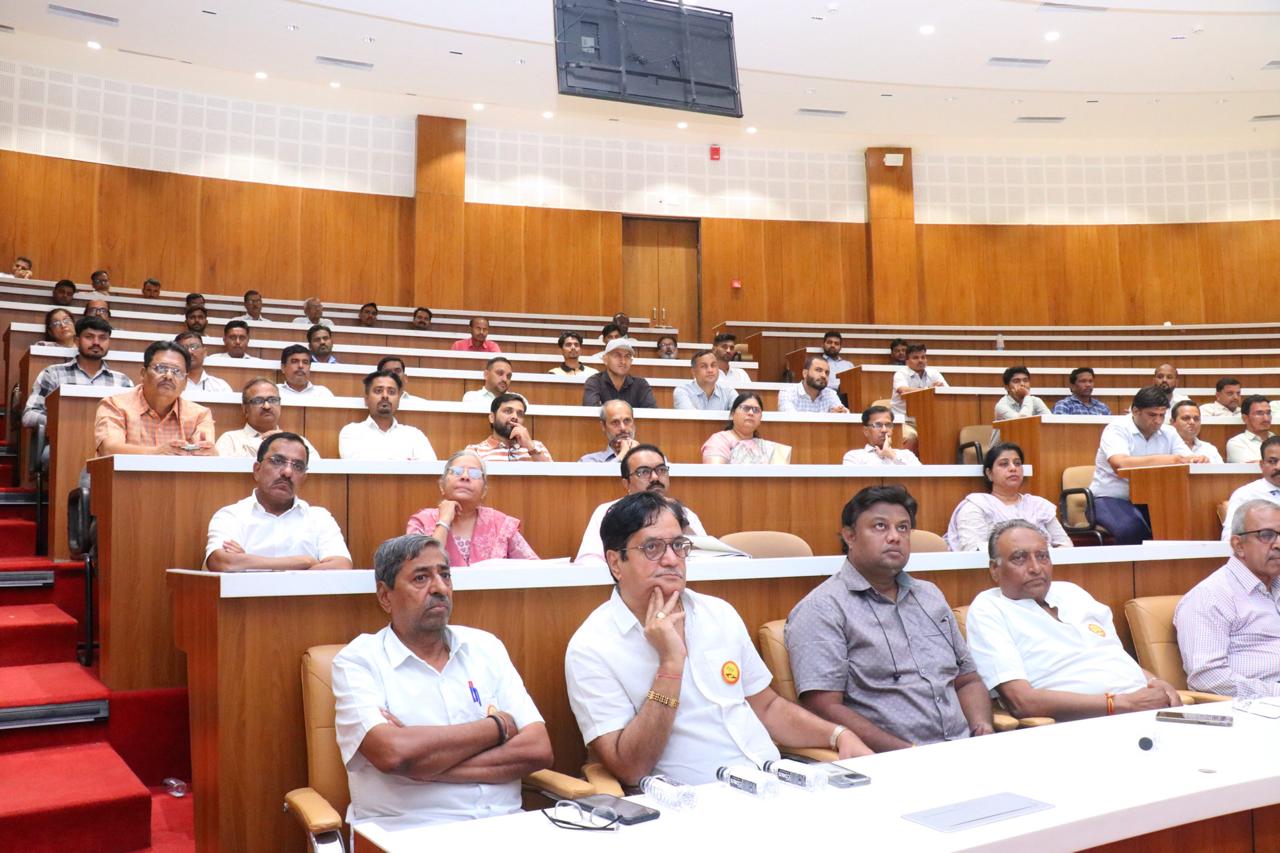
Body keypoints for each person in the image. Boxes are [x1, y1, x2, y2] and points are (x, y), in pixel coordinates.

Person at [565, 491, 872, 785]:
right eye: (652, 548)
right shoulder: (591, 647)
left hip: (773, 781)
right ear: (615, 563)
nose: (671, 559)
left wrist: (837, 735)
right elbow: (630, 768)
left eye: (678, 545)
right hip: (692, 800)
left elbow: (767, 708)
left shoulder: (718, 613)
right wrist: (670, 665)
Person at [331, 533, 551, 831]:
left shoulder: (485, 647)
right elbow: (393, 753)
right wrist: (497, 727)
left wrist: (423, 766)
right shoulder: (359, 661)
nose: (439, 588)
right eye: (421, 578)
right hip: (411, 832)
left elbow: (538, 749)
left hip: (508, 826)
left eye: (444, 575)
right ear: (385, 596)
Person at [786, 485, 995, 750]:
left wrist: (982, 727)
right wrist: (907, 753)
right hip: (886, 758)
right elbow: (824, 708)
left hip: (964, 749)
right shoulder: (822, 608)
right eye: (880, 526)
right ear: (850, 536)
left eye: (903, 528)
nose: (895, 537)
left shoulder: (929, 596)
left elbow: (967, 680)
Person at [967, 520, 1182, 719]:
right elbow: (1021, 701)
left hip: (1144, 709)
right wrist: (1120, 704)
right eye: (1019, 558)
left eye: (1042, 556)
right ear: (995, 569)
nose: (1035, 568)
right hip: (1086, 721)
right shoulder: (989, 608)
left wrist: (1155, 682)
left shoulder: (1072, 593)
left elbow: (1112, 655)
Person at [1176, 499, 1280, 698]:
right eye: (1267, 535)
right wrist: (1276, 693)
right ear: (1238, 545)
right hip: (1259, 704)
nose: (1278, 544)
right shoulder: (1210, 596)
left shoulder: (1276, 584)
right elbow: (1206, 677)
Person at [204, 433, 351, 571]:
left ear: (303, 478)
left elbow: (342, 566)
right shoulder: (231, 516)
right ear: (257, 470)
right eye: (277, 461)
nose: (287, 472)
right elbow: (222, 562)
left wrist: (246, 561)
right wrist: (304, 562)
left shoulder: (319, 518)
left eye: (298, 466)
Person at [1089, 386, 1209, 545]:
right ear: (1135, 411)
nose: (1158, 420)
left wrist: (1197, 460)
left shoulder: (1169, 432)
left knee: (1183, 523)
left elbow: (1185, 460)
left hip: (1153, 498)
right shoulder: (1116, 429)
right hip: (1111, 497)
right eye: (1152, 415)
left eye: (1162, 415)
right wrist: (1170, 460)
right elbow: (1120, 464)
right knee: (1132, 529)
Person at [575, 444, 706, 563]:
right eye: (644, 472)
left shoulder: (685, 514)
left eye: (661, 470)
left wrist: (682, 521)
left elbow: (708, 556)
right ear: (626, 483)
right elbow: (588, 560)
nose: (655, 477)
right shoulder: (608, 511)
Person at [405, 453, 539, 563]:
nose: (465, 477)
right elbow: (416, 566)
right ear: (442, 486)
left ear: (484, 491)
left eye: (475, 474)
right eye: (456, 472)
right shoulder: (422, 521)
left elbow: (534, 568)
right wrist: (444, 521)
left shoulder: (501, 524)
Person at [94, 340, 215, 456]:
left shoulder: (199, 415)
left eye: (177, 371)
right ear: (143, 374)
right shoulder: (114, 405)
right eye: (160, 368)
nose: (168, 376)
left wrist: (206, 452)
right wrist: (157, 453)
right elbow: (109, 449)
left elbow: (207, 451)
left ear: (185, 383)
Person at [945, 443, 1072, 551]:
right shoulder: (977, 506)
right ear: (989, 474)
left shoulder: (1039, 505)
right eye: (1004, 464)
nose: (1013, 468)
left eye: (1017, 463)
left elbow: (1065, 546)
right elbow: (973, 551)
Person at [23, 317, 132, 429]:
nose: (96, 342)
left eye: (102, 338)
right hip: (63, 437)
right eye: (89, 337)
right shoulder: (53, 374)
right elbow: (29, 416)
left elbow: (134, 417)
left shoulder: (122, 381)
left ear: (109, 342)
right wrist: (64, 422)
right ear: (76, 341)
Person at [339, 370, 436, 461]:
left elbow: (430, 467)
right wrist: (405, 462)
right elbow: (357, 468)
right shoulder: (351, 432)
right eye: (378, 391)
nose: (385, 396)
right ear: (366, 400)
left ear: (398, 401)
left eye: (391, 392)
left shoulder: (414, 435)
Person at [215, 378, 320, 458]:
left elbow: (316, 472)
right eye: (258, 401)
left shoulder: (298, 441)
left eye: (273, 400)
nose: (267, 406)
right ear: (245, 409)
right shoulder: (230, 440)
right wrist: (258, 445)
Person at [701, 392, 791, 464]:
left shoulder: (767, 447)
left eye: (756, 410)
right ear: (732, 414)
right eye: (745, 408)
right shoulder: (719, 440)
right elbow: (715, 476)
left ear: (760, 419)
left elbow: (778, 479)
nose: (751, 413)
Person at [1220, 436, 1280, 541]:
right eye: (1272, 461)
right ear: (1262, 465)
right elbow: (1229, 538)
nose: (1278, 467)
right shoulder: (1246, 495)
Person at [463, 393, 552, 463]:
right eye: (508, 411)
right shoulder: (475, 451)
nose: (515, 417)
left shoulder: (537, 447)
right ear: (492, 418)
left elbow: (552, 478)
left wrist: (530, 447)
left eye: (520, 414)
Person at [582, 338, 657, 408]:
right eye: (617, 355)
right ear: (605, 359)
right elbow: (592, 412)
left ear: (631, 361)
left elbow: (652, 413)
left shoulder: (640, 384)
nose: (623, 361)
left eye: (627, 356)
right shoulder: (594, 382)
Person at [842, 405, 920, 466]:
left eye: (888, 425)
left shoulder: (906, 455)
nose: (884, 430)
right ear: (866, 431)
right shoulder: (854, 456)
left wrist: (892, 456)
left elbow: (920, 479)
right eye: (878, 425)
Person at [891, 344, 948, 420]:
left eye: (923, 357)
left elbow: (947, 391)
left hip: (928, 418)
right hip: (904, 419)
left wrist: (940, 388)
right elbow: (903, 390)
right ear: (907, 361)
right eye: (915, 358)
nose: (920, 360)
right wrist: (929, 389)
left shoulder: (934, 373)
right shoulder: (900, 374)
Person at [777, 355, 847, 413]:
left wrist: (841, 413)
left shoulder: (830, 394)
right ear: (805, 373)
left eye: (827, 372)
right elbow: (792, 420)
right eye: (818, 370)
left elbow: (845, 414)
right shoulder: (788, 393)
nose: (824, 375)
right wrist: (829, 417)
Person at [175, 331, 232, 396]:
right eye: (183, 348)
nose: (189, 351)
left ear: (204, 352)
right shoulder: (171, 385)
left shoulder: (221, 386)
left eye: (194, 346)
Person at [1226, 395, 1274, 463]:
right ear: (1245, 418)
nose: (1266, 418)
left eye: (1268, 413)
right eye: (1259, 413)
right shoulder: (1236, 443)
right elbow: (1254, 467)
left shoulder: (1276, 438)